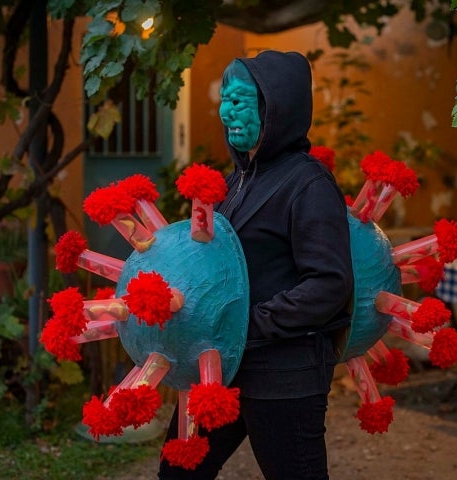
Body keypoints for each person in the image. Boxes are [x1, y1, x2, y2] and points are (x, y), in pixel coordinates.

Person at [158, 50, 354, 479]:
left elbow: (329, 284)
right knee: (178, 472)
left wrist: (248, 324)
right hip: (221, 372)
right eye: (224, 99)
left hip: (285, 375)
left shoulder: (309, 183)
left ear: (276, 107)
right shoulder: (229, 185)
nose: (226, 110)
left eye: (240, 99)